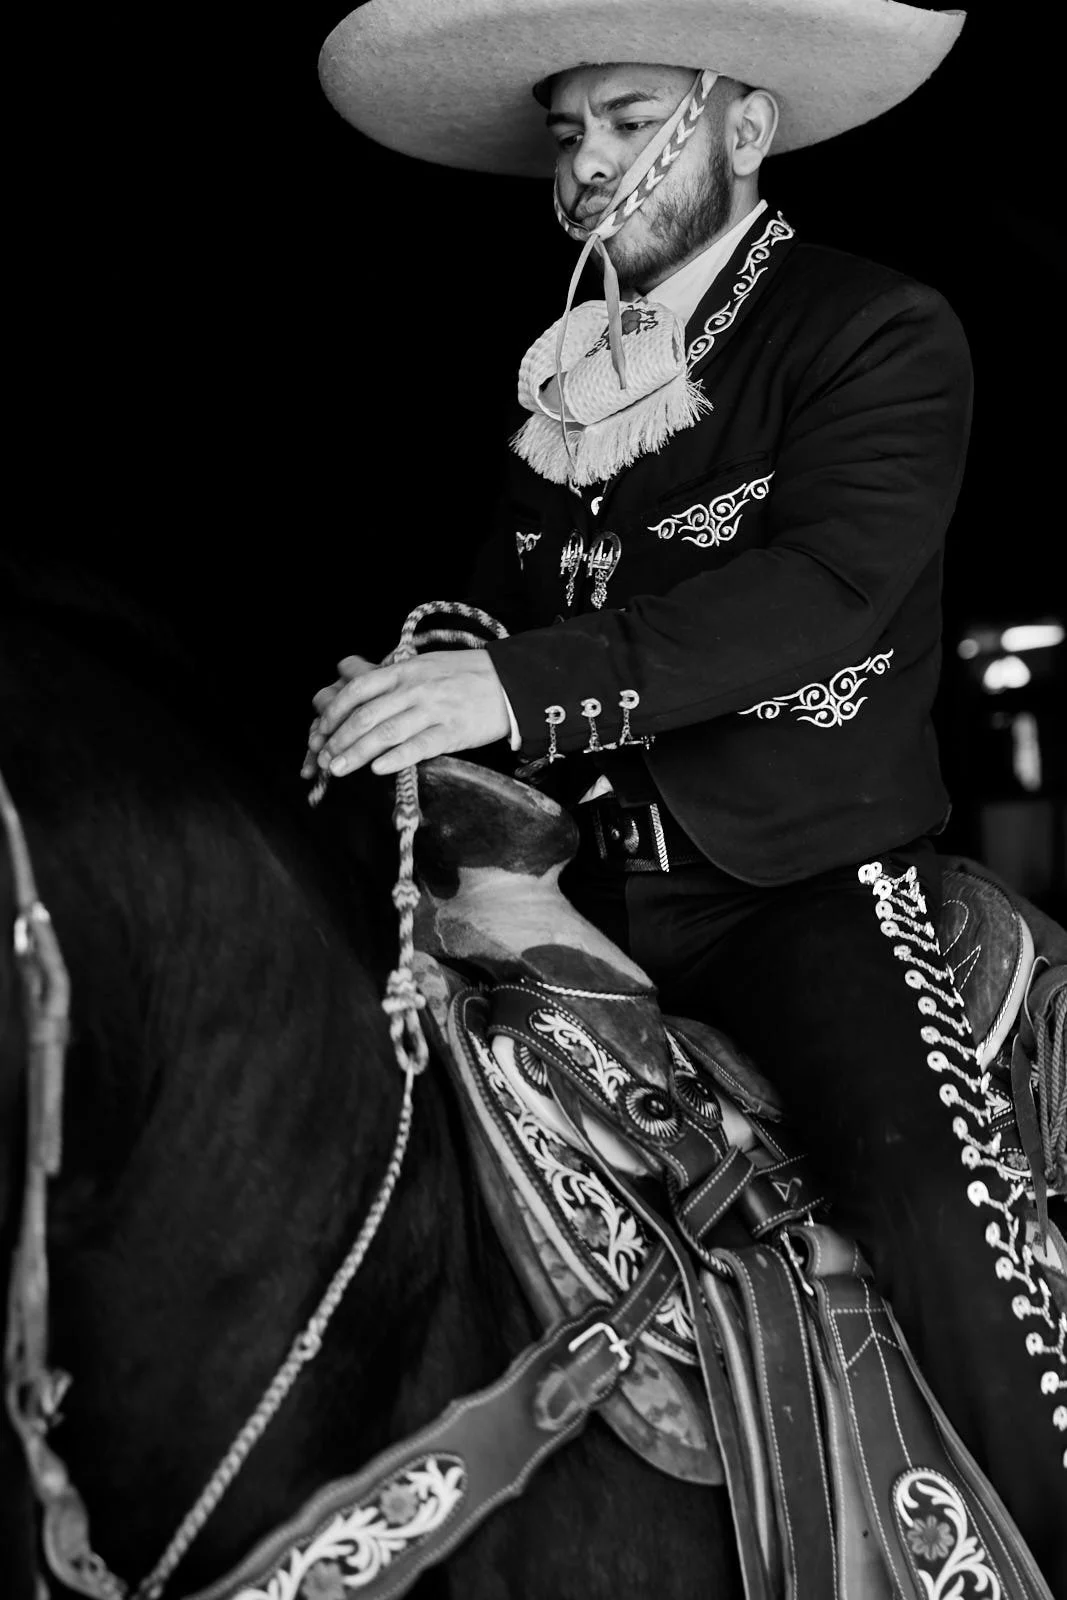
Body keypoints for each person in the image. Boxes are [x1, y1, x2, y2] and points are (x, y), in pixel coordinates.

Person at [308, 0, 1065, 1583]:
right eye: (565, 130)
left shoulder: (874, 326)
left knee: (941, 1220)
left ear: (740, 124)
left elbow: (829, 591)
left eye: (624, 116)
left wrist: (507, 684)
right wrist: (414, 687)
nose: (583, 164)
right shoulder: (565, 374)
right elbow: (503, 622)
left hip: (797, 883)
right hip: (564, 889)